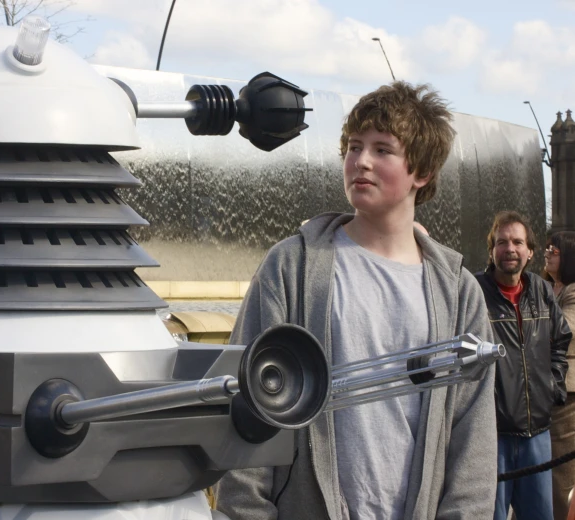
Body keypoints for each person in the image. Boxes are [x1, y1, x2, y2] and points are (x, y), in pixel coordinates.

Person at [215, 81, 497, 520]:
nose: (360, 161)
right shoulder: (293, 266)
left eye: (382, 150)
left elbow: (472, 441)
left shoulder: (459, 292)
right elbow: (246, 406)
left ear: (420, 172)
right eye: (353, 146)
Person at [474, 212, 572, 520]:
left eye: (517, 241)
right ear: (492, 250)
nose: (510, 249)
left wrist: (552, 387)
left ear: (530, 251)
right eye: (501, 242)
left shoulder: (542, 292)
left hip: (537, 435)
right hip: (493, 435)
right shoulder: (475, 292)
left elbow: (559, 340)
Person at [544, 231, 575, 519]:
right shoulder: (546, 288)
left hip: (567, 390)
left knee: (561, 469)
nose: (548, 250)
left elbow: (564, 329)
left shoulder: (574, 291)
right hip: (541, 385)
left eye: (555, 248)